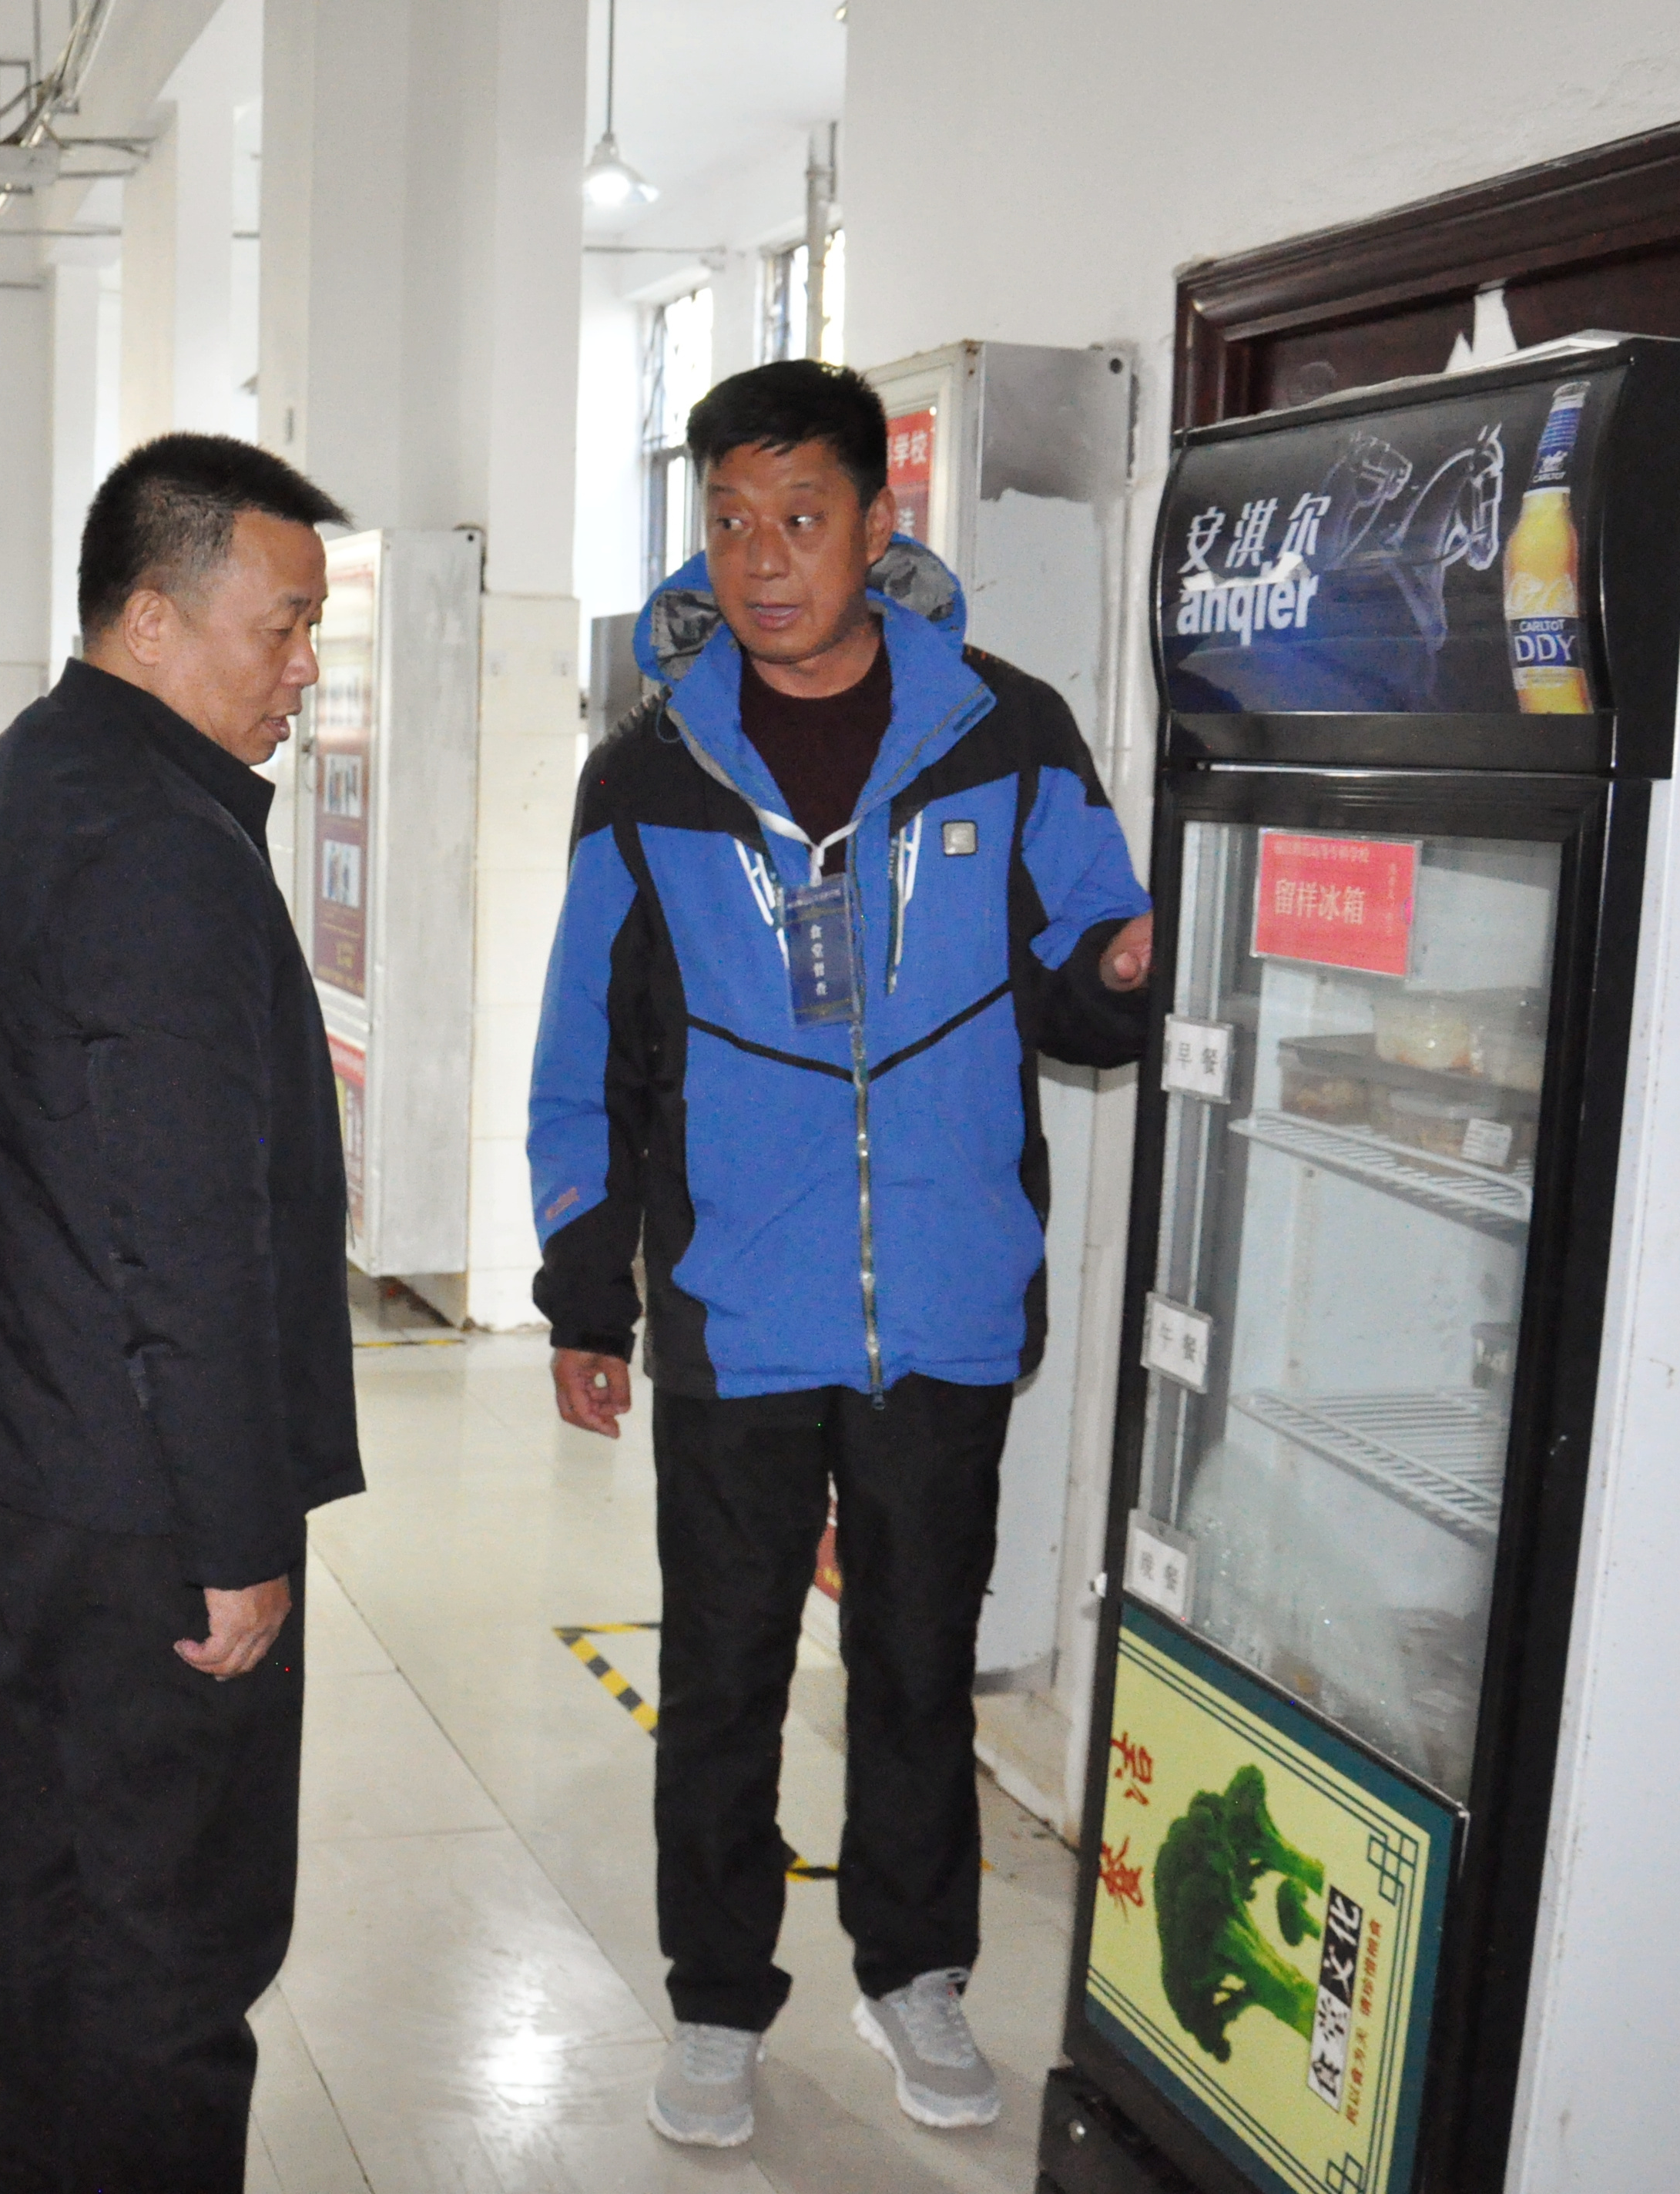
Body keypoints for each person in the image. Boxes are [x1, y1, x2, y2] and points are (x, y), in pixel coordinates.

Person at [527, 359, 1155, 2148]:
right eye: (727, 520)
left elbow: (1086, 969)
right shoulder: (642, 775)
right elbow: (583, 1058)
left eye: (798, 518)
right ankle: (716, 1998)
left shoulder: (1005, 732)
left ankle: (915, 1970)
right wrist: (583, 1290)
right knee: (722, 1669)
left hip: (943, 1297)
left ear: (877, 525)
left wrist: (1121, 966)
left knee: (912, 1656)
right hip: (732, 1305)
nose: (759, 559)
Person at [0, 432, 364, 2192]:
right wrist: (233, 1536)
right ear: (154, 618)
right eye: (281, 624)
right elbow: (179, 1227)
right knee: (173, 1933)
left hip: (42, 1465)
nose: (301, 666)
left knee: (52, 1868)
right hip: (142, 1498)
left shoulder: (36, 775)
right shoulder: (156, 838)